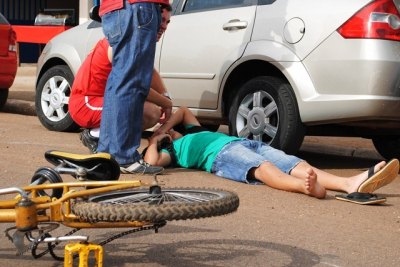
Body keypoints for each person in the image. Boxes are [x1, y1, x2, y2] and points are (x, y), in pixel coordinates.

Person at [144, 107, 399, 199]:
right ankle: (304, 188)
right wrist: (157, 140)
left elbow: (183, 110)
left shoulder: (192, 131)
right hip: (221, 156)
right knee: (264, 169)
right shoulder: (173, 150)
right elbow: (151, 161)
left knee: (293, 161)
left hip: (242, 142)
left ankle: (348, 183)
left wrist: (165, 126)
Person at [69, 6, 172, 156]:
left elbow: (149, 70)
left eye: (168, 22)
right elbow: (135, 84)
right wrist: (166, 103)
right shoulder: (121, 43)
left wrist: (166, 96)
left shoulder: (135, 41)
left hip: (102, 100)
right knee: (149, 112)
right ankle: (96, 136)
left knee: (148, 108)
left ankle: (111, 145)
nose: (164, 26)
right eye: (161, 20)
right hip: (86, 103)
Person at [97, 0, 171, 174]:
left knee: (120, 82)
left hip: (115, 9)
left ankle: (108, 155)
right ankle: (124, 157)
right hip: (137, 8)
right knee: (131, 82)